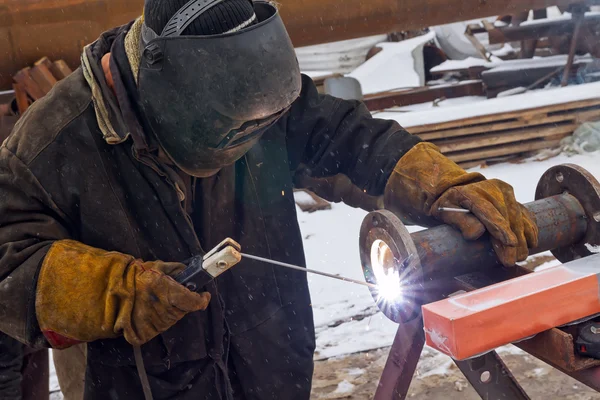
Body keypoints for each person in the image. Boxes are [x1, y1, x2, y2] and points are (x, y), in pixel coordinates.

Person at [0, 0, 538, 398]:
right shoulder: (54, 140)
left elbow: (346, 139)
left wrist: (441, 186)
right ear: (161, 86)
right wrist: (112, 291)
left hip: (271, 367)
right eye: (233, 131)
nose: (252, 138)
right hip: (143, 385)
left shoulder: (251, 93)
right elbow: (9, 258)